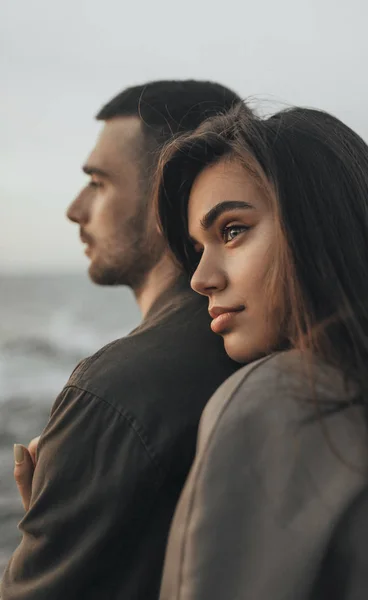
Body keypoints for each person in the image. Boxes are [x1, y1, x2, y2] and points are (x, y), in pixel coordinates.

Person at [154, 106, 368, 599]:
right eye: (198, 248)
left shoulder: (279, 399)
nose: (201, 279)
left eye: (232, 230)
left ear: (321, 227)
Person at [2, 81, 242, 600]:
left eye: (98, 182)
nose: (75, 208)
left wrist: (45, 530)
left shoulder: (115, 391)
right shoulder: (275, 343)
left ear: (170, 194)